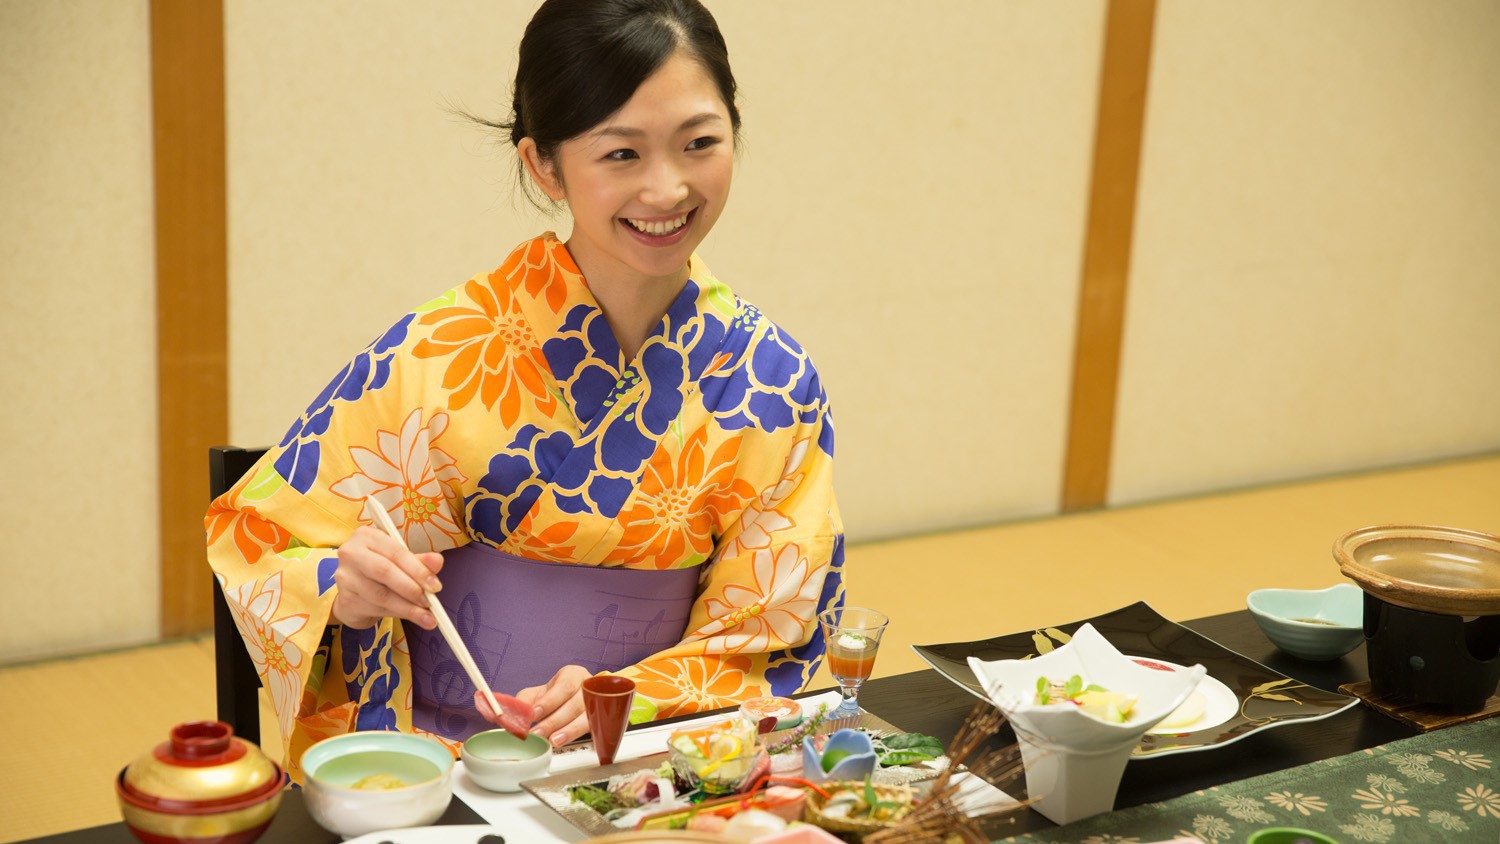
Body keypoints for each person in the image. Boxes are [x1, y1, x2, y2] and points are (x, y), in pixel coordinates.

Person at [205, 0, 844, 779]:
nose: (668, 187)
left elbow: (770, 632)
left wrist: (631, 695)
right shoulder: (439, 351)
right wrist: (343, 584)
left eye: (699, 143)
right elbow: (256, 536)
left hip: (648, 764)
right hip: (446, 766)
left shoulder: (773, 381)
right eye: (621, 155)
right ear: (543, 165)